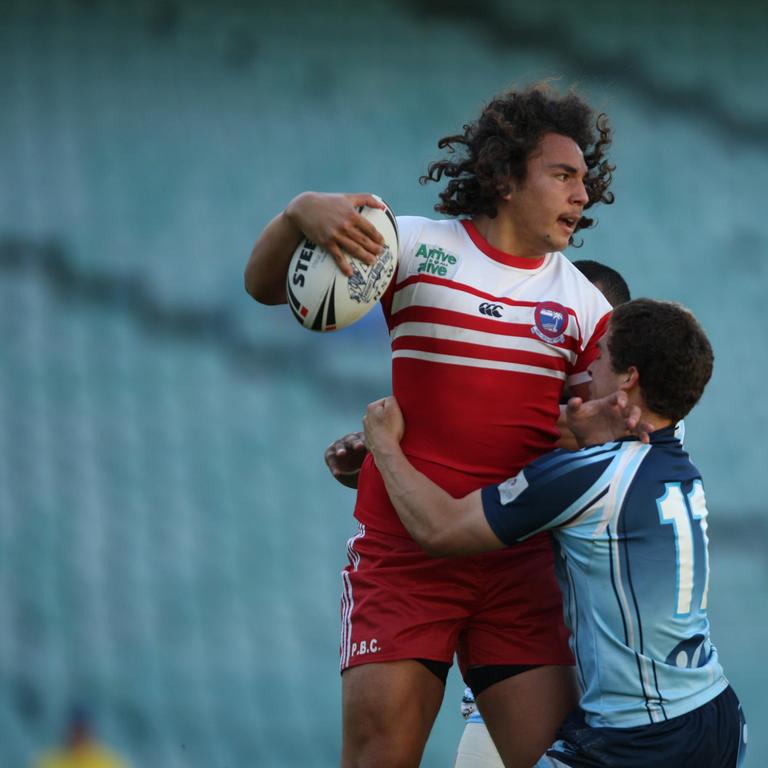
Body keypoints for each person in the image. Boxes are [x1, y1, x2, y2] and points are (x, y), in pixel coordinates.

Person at [245, 84, 616, 768]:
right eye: (563, 176)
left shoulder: (586, 307)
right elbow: (265, 286)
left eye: (585, 180)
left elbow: (599, 443)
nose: (581, 196)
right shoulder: (410, 246)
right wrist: (300, 214)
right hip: (403, 560)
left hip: (518, 566)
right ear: (505, 177)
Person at [362, 298, 747, 768]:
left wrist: (383, 446)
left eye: (600, 356)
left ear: (629, 378)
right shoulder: (676, 459)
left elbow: (440, 530)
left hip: (644, 737)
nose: (587, 371)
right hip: (717, 713)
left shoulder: (589, 477)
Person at [324, 259, 631, 768]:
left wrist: (390, 452)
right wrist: (389, 465)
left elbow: (455, 522)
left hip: (601, 702)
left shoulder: (617, 442)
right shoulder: (541, 417)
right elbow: (486, 474)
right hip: (503, 700)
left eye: (589, 351)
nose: (568, 360)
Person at [32, 707, 129, 768]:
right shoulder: (49, 761)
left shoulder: (110, 762)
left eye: (81, 731)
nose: (77, 736)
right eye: (74, 731)